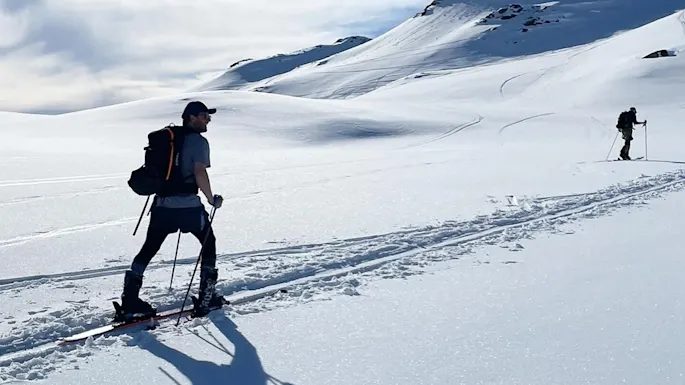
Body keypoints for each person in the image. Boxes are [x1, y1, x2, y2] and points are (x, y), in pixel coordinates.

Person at [117, 101, 225, 320]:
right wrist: (211, 198)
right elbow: (199, 173)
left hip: (162, 206)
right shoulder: (198, 142)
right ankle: (206, 297)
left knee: (149, 249)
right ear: (191, 117)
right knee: (209, 243)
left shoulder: (168, 138)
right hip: (189, 207)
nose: (207, 121)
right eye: (205, 116)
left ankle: (130, 301)